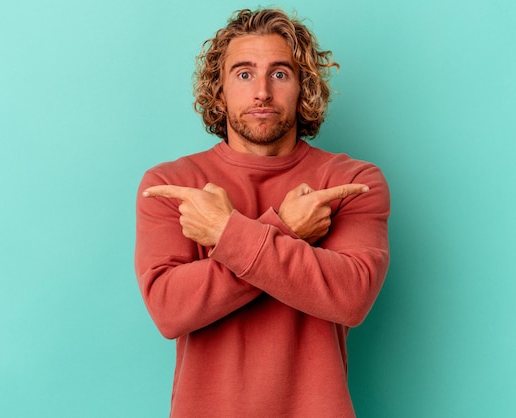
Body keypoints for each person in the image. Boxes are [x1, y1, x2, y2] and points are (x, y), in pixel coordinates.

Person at [135, 8, 390, 417]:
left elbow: (351, 297)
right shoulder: (173, 182)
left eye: (280, 73)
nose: (262, 93)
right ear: (218, 91)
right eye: (243, 73)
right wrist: (285, 227)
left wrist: (225, 233)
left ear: (303, 86)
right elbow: (169, 310)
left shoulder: (352, 179)